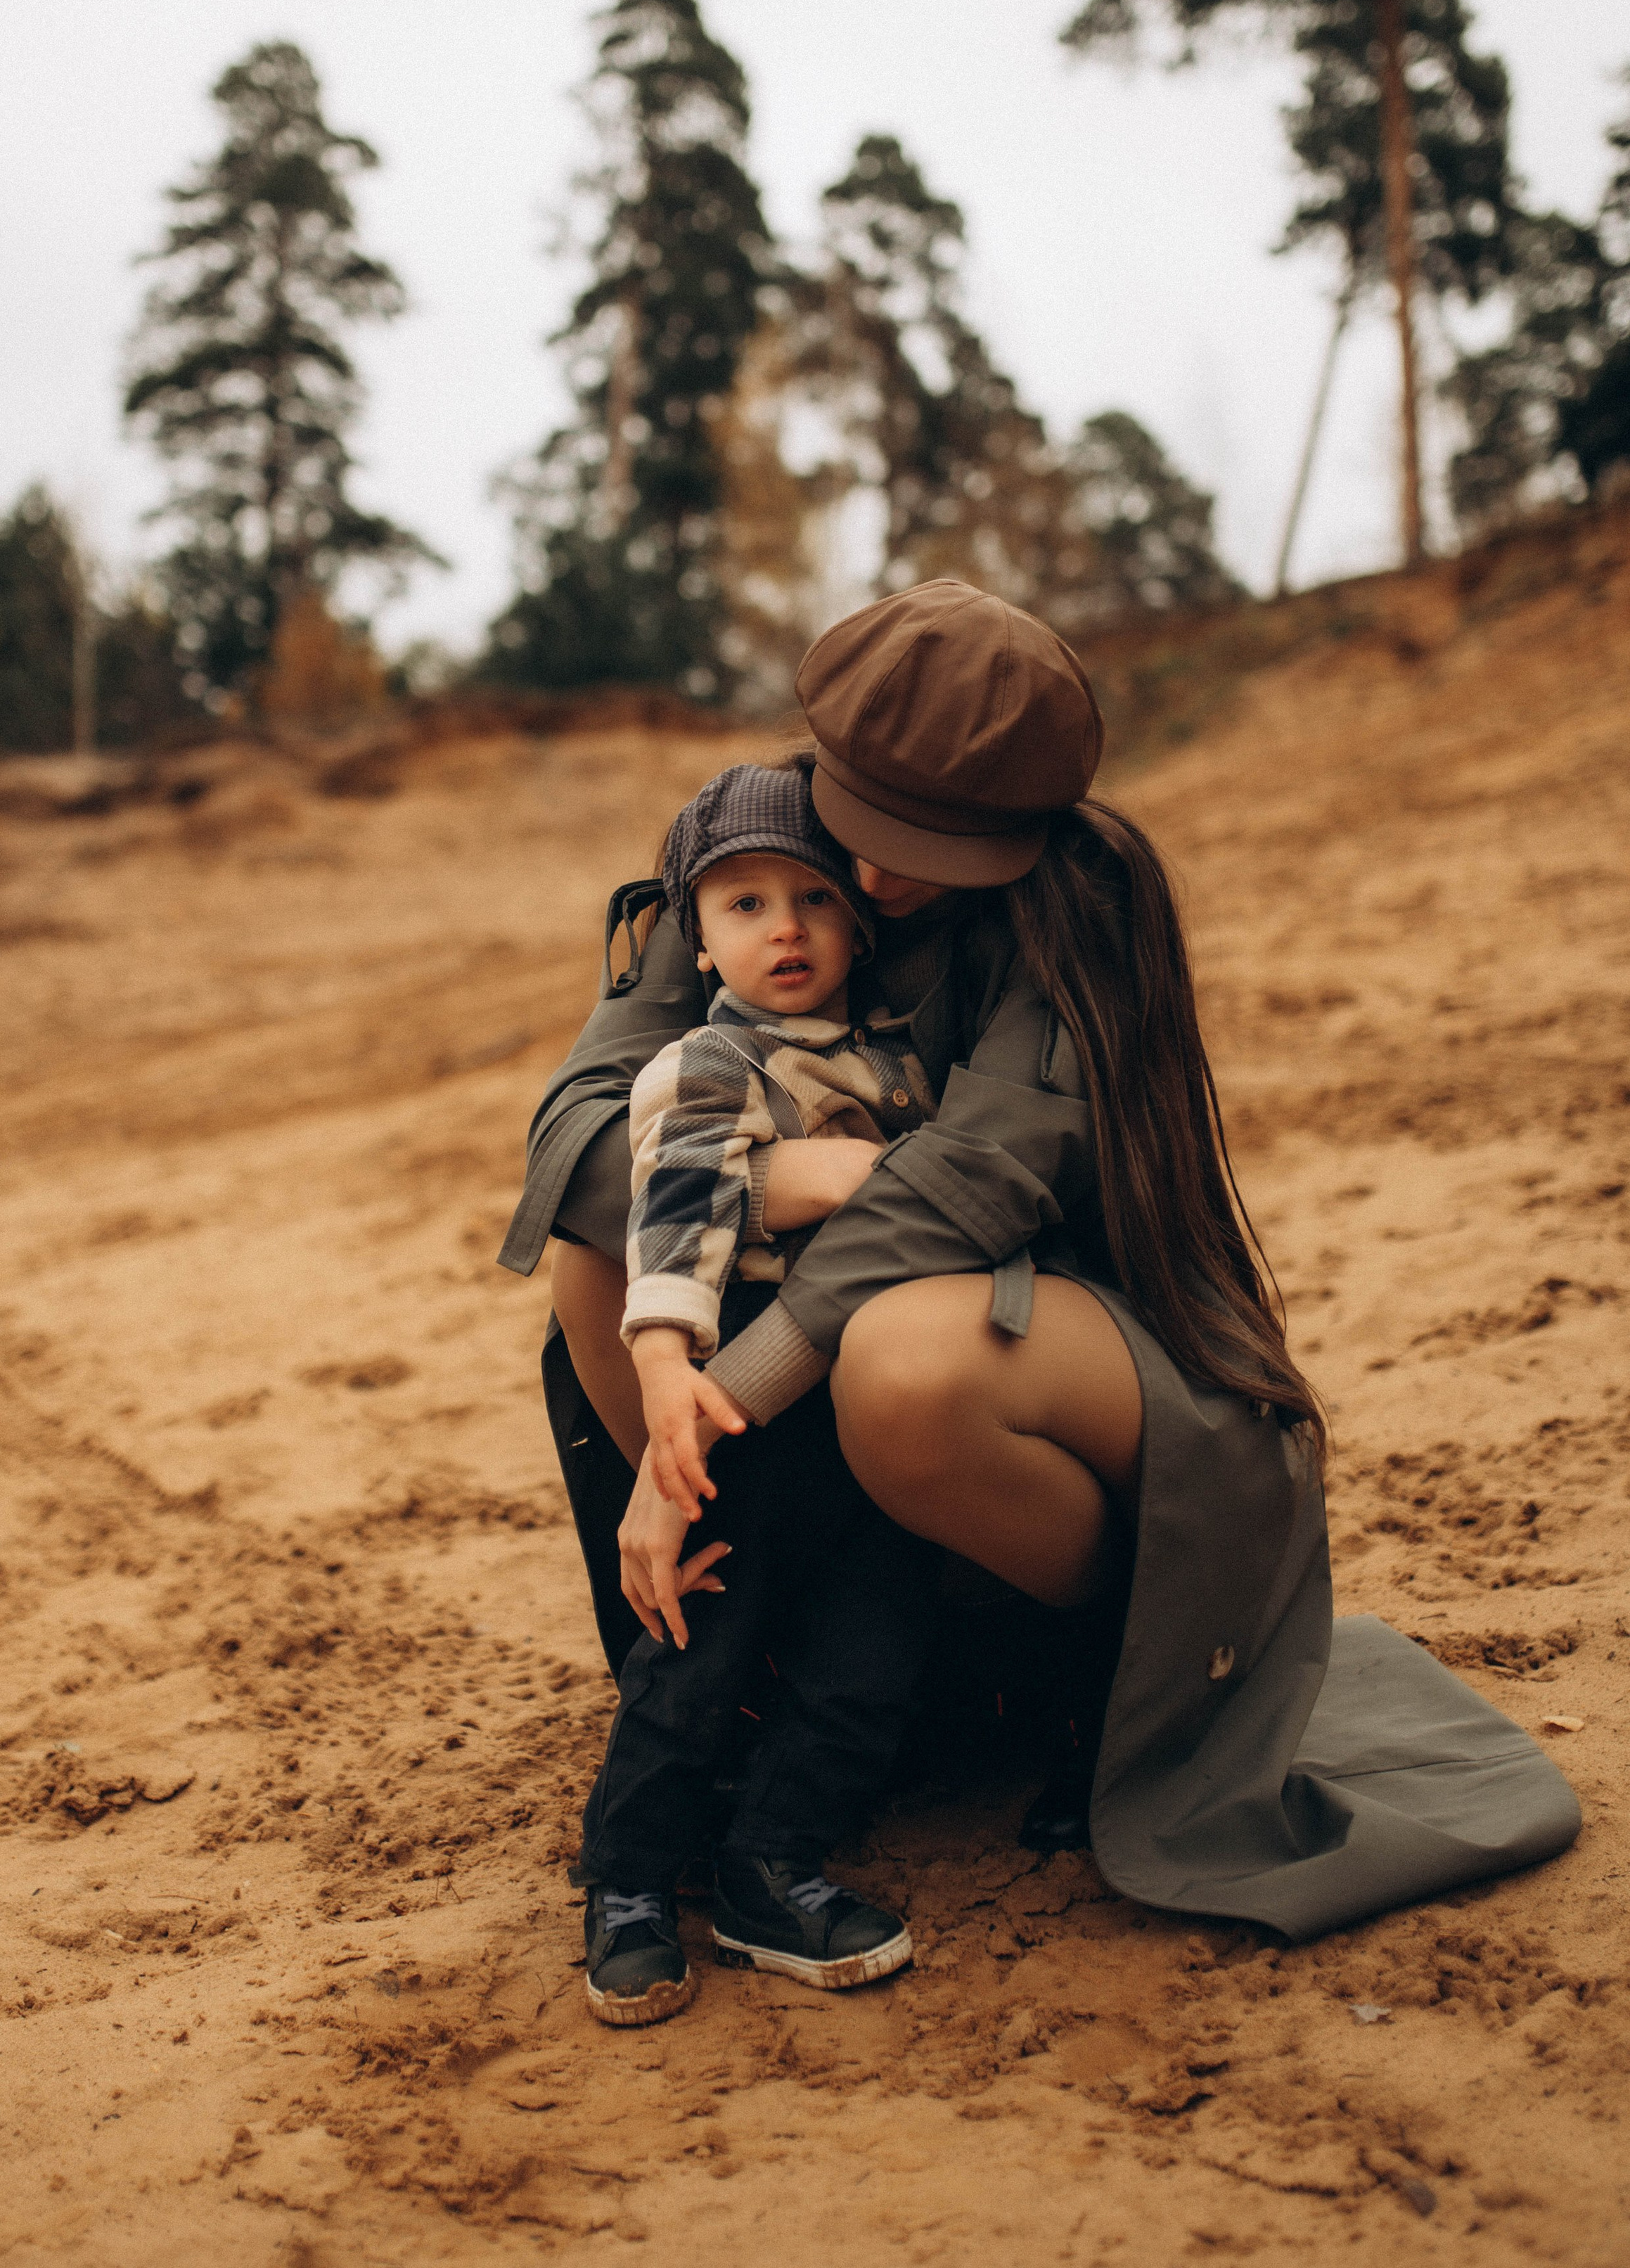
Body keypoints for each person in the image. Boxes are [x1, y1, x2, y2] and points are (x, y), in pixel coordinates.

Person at [502, 581, 1580, 1949]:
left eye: (935, 848)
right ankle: (750, 1657)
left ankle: (1080, 1680)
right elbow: (576, 1137)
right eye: (871, 829)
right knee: (596, 1265)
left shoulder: (1079, 906)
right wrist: (778, 1183)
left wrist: (715, 1405)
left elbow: (963, 1191)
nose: (872, 885)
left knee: (904, 1360)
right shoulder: (759, 846)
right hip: (828, 1362)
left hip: (1084, 1356)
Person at [577, 762, 938, 2026]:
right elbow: (674, 1219)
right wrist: (665, 1371)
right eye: (745, 905)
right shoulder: (707, 1062)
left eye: (814, 898)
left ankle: (771, 1866)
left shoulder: (897, 1061)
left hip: (865, 1402)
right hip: (740, 1394)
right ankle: (628, 1884)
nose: (785, 929)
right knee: (699, 1650)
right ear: (697, 936)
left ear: (861, 921)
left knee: (866, 1656)